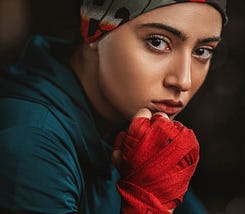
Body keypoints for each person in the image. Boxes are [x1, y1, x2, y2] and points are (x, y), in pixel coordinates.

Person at [0, 0, 227, 213]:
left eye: (202, 51)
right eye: (157, 42)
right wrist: (147, 204)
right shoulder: (31, 141)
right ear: (95, 31)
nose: (183, 80)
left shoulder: (131, 127)